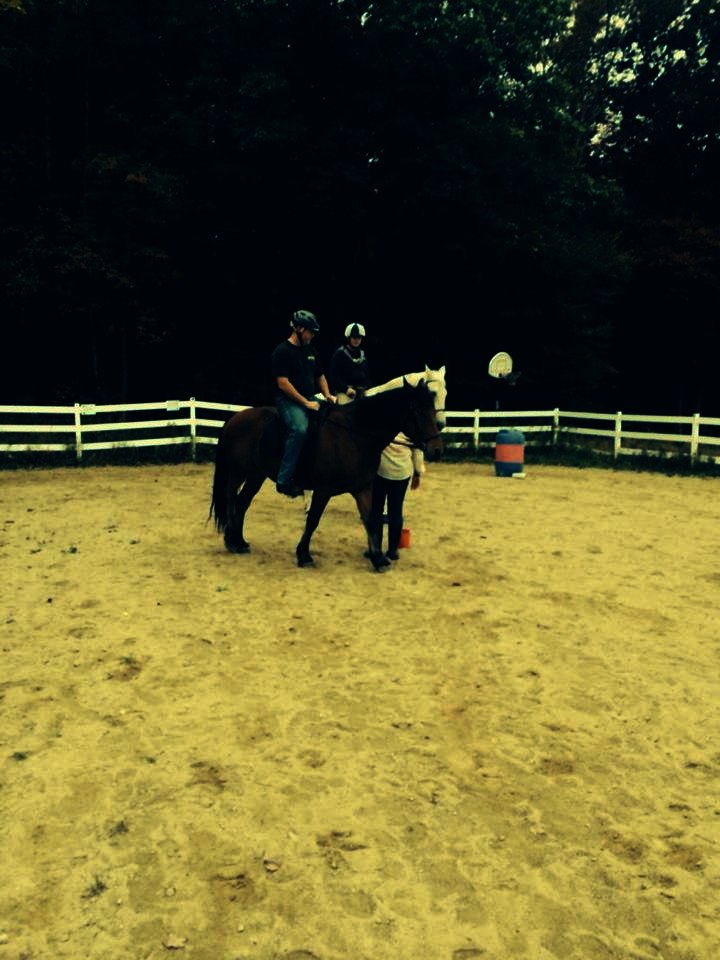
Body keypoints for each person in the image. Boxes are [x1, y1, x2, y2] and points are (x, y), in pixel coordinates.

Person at [271, 310, 336, 498]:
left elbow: (320, 375)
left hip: (310, 398)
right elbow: (282, 383)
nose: (313, 335)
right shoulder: (282, 351)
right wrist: (306, 403)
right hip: (288, 401)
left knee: (333, 419)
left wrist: (328, 395)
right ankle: (284, 479)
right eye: (310, 331)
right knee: (299, 429)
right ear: (299, 329)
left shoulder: (310, 350)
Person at [368, 433, 424, 561]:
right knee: (396, 511)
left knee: (376, 511)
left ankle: (375, 548)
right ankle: (392, 550)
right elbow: (418, 450)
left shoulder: (386, 422)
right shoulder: (410, 427)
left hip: (381, 470)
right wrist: (417, 473)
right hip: (402, 472)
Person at [328, 323, 372, 404]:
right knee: (346, 410)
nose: (357, 340)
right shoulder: (339, 354)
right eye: (354, 337)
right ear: (349, 338)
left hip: (363, 391)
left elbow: (367, 375)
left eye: (359, 338)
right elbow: (333, 377)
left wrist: (370, 388)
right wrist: (345, 389)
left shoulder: (363, 354)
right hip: (345, 392)